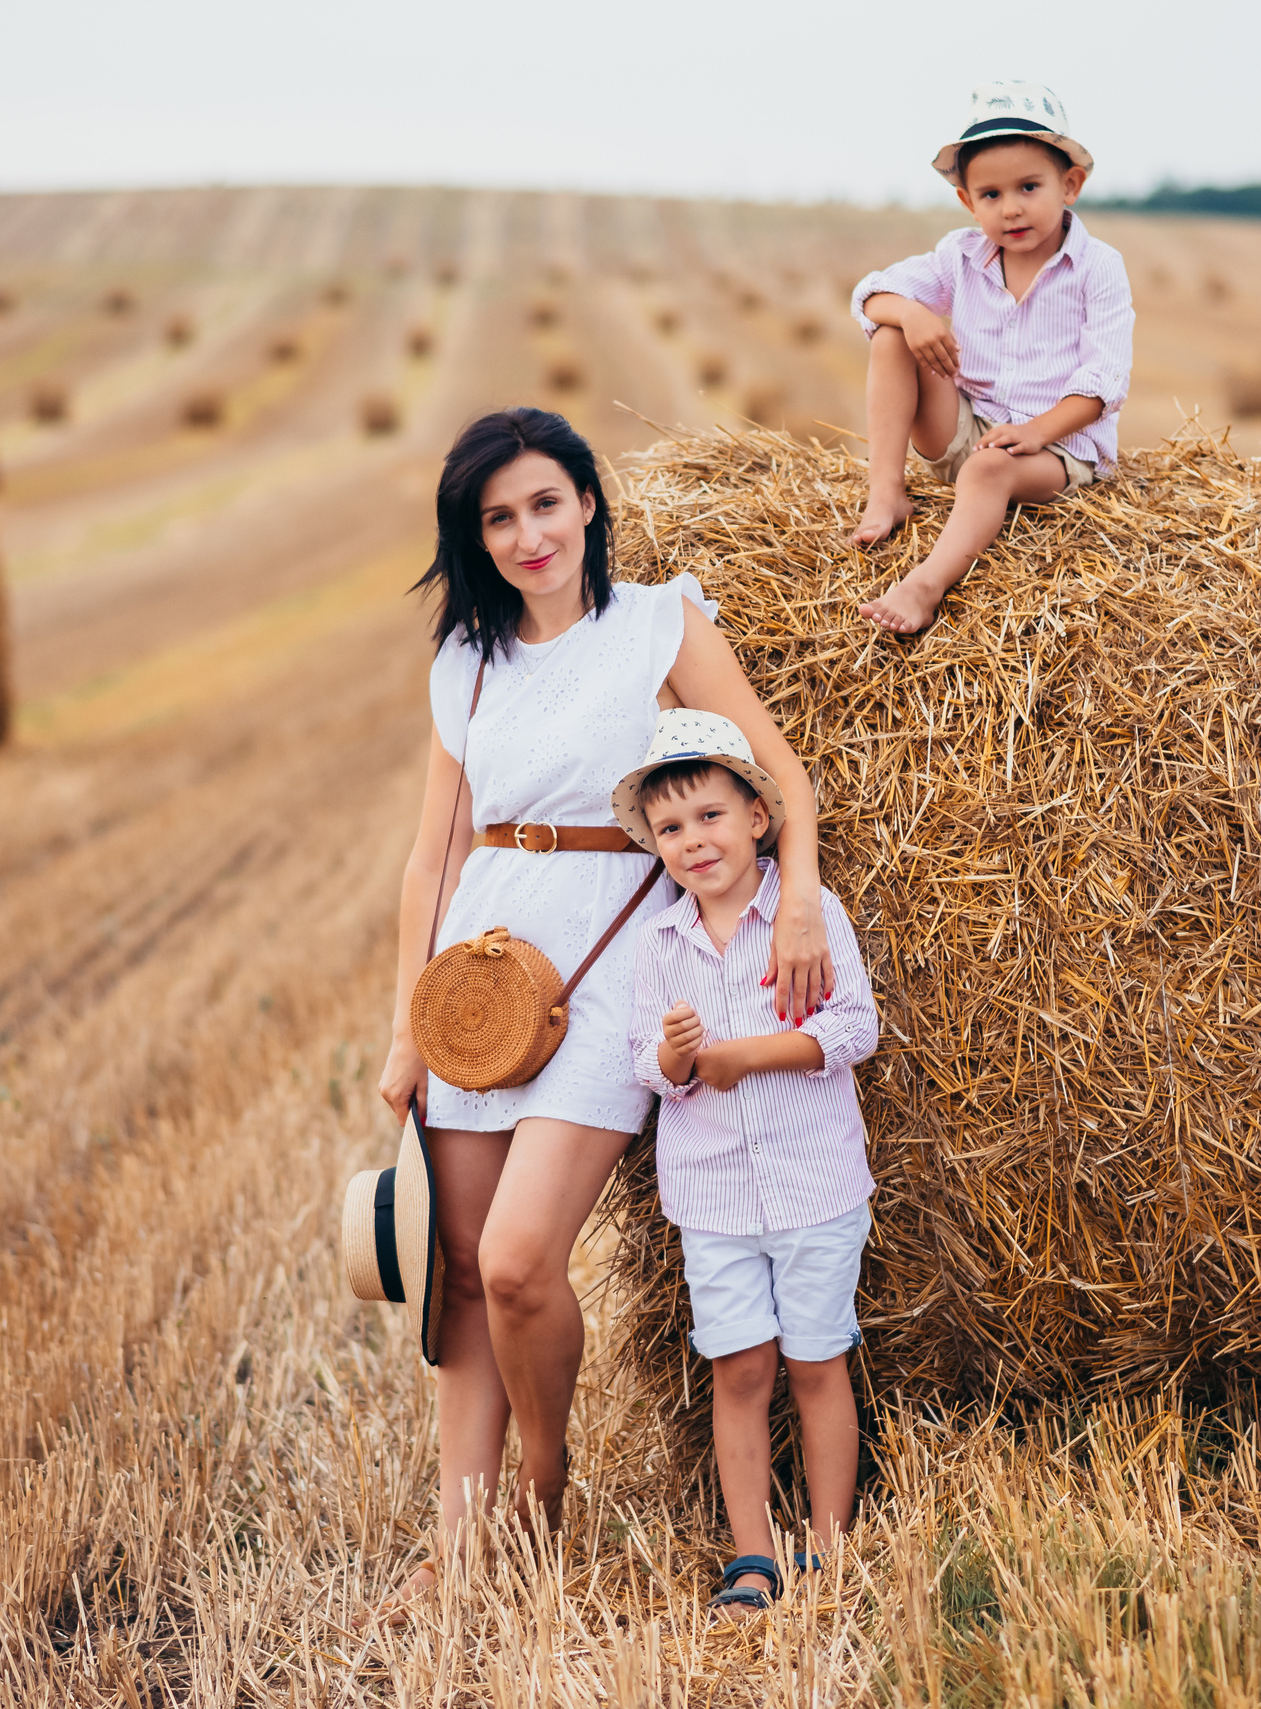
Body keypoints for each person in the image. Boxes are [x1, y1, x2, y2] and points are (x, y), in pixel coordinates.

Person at [376, 407, 836, 1614]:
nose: (527, 534)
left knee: (518, 1259)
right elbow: (432, 856)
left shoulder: (658, 623)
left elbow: (781, 775)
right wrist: (406, 1025)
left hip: (610, 964)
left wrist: (796, 902)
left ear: (587, 502)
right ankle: (463, 1542)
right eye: (498, 518)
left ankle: (542, 1486)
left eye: (545, 502)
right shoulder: (465, 662)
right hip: (479, 973)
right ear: (474, 538)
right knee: (460, 1273)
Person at [613, 713, 878, 1620]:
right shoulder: (659, 945)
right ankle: (753, 1557)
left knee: (816, 1364)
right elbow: (646, 1065)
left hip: (815, 1186)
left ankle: (830, 1549)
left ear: (758, 817)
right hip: (715, 1200)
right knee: (740, 1370)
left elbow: (854, 1026)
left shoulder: (808, 913)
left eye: (711, 816)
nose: (693, 840)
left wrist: (747, 1056)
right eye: (671, 828)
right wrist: (678, 1053)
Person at [849, 82, 1134, 635]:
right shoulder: (960, 254)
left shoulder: (1099, 267)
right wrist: (911, 313)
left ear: (1070, 184)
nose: (1011, 208)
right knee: (890, 334)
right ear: (968, 202)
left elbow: (1105, 382)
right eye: (991, 195)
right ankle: (886, 492)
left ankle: (924, 586)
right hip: (964, 428)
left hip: (1055, 450)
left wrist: (1034, 431)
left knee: (987, 468)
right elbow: (871, 295)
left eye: (1029, 186)